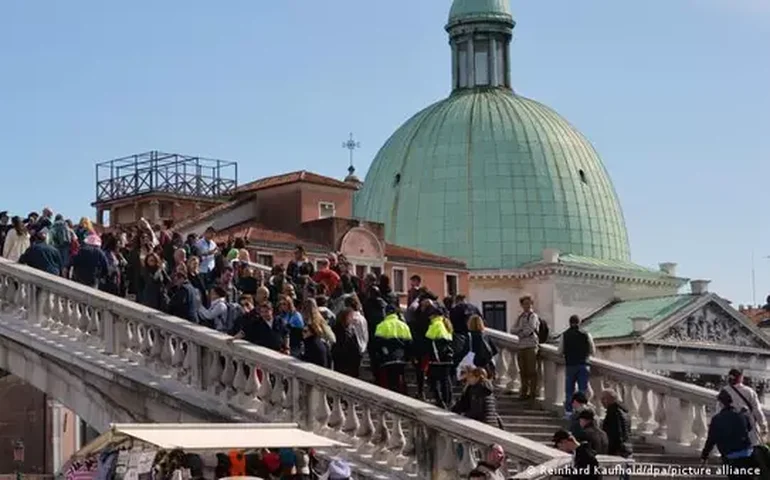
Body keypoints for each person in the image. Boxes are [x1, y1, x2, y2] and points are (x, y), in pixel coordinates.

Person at [702, 390, 757, 480]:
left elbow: (711, 440)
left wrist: (704, 456)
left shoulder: (717, 419)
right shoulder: (741, 415)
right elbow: (749, 428)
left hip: (730, 456)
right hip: (747, 454)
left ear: (720, 403)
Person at [559, 314, 595, 417]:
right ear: (580, 322)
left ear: (570, 323)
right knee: (582, 390)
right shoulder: (586, 334)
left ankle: (569, 412)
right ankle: (582, 412)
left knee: (569, 390)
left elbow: (559, 351)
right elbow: (593, 350)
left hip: (570, 365)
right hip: (584, 364)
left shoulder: (564, 335)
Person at [721, 368, 768, 447]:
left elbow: (719, 411)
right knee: (750, 451)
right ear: (740, 378)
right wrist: (763, 426)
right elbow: (757, 410)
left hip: (730, 428)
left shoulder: (724, 391)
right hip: (748, 427)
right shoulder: (749, 391)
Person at [372, 304, 413, 394]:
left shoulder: (381, 325)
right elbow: (409, 344)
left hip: (387, 358)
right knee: (401, 378)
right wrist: (408, 357)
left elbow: (377, 344)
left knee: (390, 381)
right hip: (401, 357)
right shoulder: (404, 326)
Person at [510, 295, 540, 400]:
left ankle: (532, 393)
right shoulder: (520, 316)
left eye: (529, 303)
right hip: (521, 346)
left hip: (531, 345)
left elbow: (530, 329)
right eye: (524, 304)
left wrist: (521, 332)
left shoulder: (533, 316)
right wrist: (521, 329)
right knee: (522, 371)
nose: (527, 306)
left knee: (532, 370)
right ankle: (523, 392)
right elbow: (512, 329)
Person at [425, 306, 454, 409]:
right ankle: (448, 400)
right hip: (447, 356)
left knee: (432, 380)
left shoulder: (436, 324)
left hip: (437, 357)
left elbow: (429, 338)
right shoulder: (447, 324)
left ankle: (440, 400)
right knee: (445, 379)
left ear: (434, 315)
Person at [600, 389, 632, 460]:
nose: (601, 402)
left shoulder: (614, 412)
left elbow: (616, 433)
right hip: (626, 447)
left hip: (617, 450)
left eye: (603, 399)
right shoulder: (624, 411)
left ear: (610, 398)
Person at [331, 308, 363, 378]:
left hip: (352, 361)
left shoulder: (351, 329)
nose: (353, 319)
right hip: (342, 360)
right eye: (351, 316)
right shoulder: (337, 330)